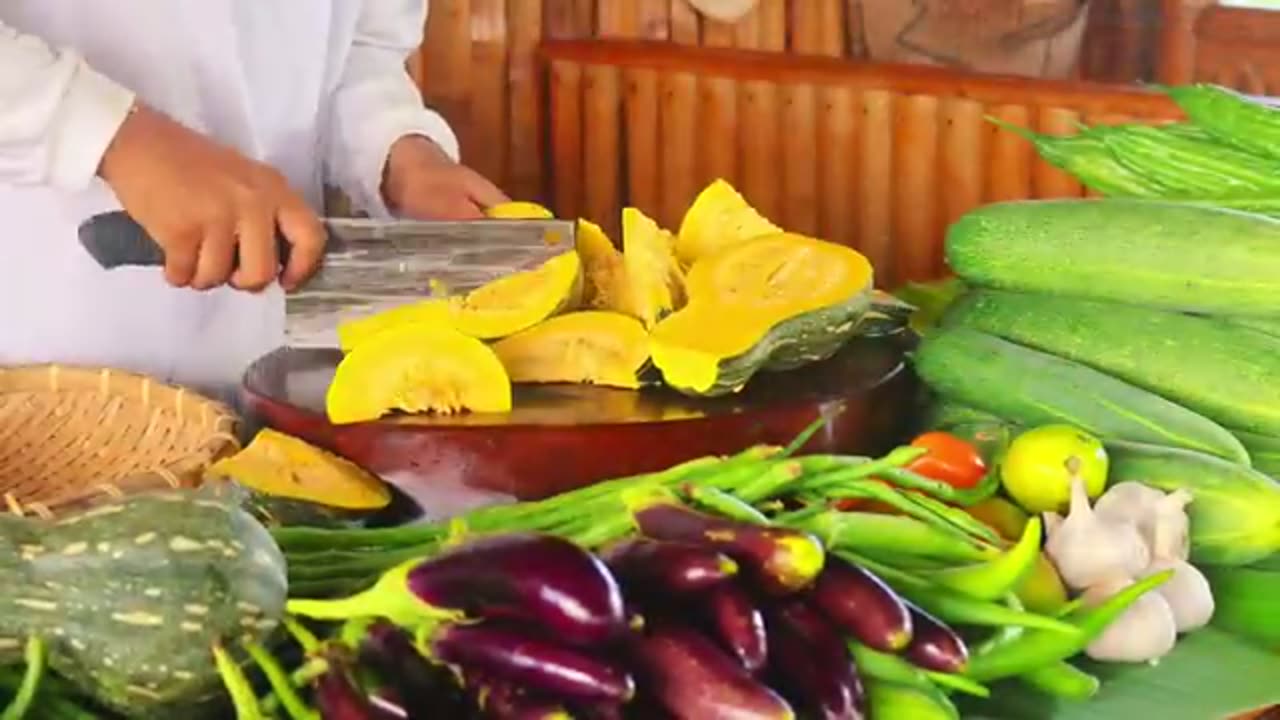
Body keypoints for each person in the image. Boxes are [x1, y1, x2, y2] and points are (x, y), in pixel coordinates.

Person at [0, 2, 508, 401]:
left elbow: (360, 48)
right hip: (43, 366)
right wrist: (108, 134)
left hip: (271, 359)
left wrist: (398, 150)